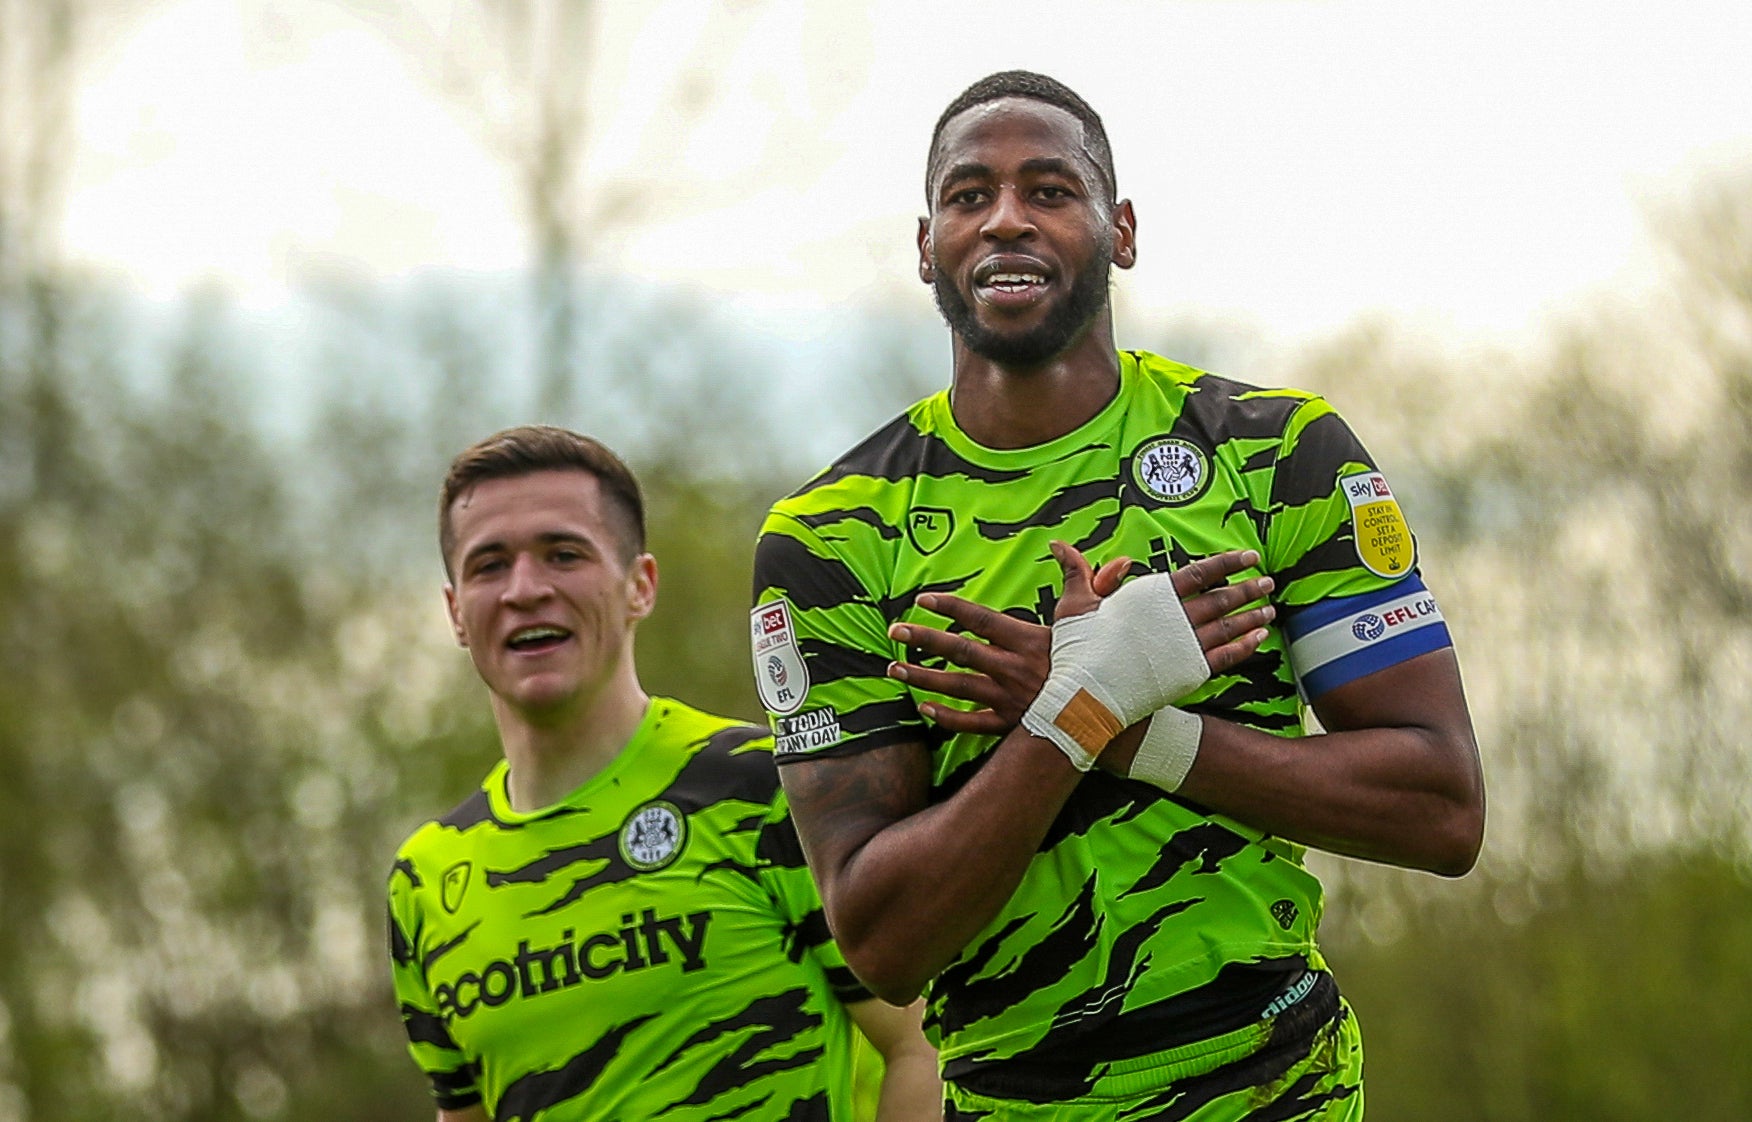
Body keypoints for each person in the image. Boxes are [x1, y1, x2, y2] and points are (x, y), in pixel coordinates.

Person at [749, 71, 1484, 1120]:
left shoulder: (1274, 452)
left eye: (1050, 190)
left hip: (1276, 1085)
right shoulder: (829, 537)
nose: (1007, 217)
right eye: (969, 196)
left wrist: (1132, 727)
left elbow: (1442, 809)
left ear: (1120, 230)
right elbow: (882, 943)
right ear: (926, 248)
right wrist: (1076, 714)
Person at [388, 425, 941, 1122]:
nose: (525, 590)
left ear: (639, 586)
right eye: (488, 565)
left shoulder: (760, 789)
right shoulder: (425, 881)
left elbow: (922, 1046)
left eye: (564, 554)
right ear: (455, 613)